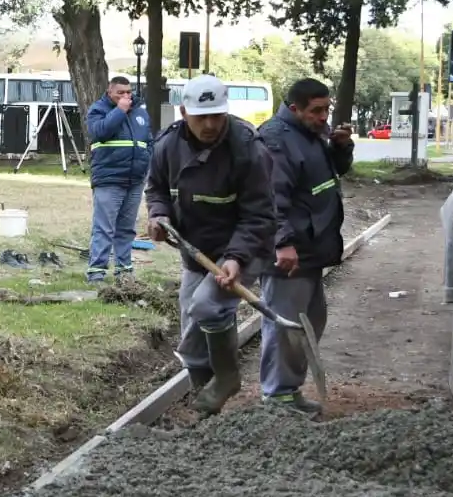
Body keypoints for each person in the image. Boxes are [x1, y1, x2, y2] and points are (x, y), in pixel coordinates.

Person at [145, 74, 275, 416]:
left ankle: (228, 377)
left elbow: (260, 214)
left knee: (207, 305)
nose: (211, 124)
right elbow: (156, 187)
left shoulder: (247, 148)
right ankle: (207, 407)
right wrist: (159, 216)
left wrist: (235, 258)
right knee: (191, 334)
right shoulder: (168, 145)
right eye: (202, 116)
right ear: (184, 111)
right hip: (196, 251)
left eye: (217, 115)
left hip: (244, 248)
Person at [257, 78, 353, 416]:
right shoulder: (277, 139)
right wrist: (282, 243)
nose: (324, 116)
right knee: (286, 325)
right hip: (289, 255)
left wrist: (340, 147)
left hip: (310, 250)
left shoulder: (309, 133)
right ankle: (277, 396)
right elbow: (270, 199)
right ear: (294, 108)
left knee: (310, 321)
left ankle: (288, 391)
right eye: (317, 110)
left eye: (327, 109)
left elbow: (331, 172)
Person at [85, 75, 152, 283]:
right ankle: (96, 271)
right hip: (109, 178)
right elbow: (100, 132)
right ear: (109, 93)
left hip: (135, 179)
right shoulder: (98, 110)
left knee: (127, 228)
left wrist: (148, 161)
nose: (126, 96)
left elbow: (149, 141)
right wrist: (120, 111)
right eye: (120, 93)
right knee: (104, 227)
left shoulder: (140, 112)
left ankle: (124, 270)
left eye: (128, 92)